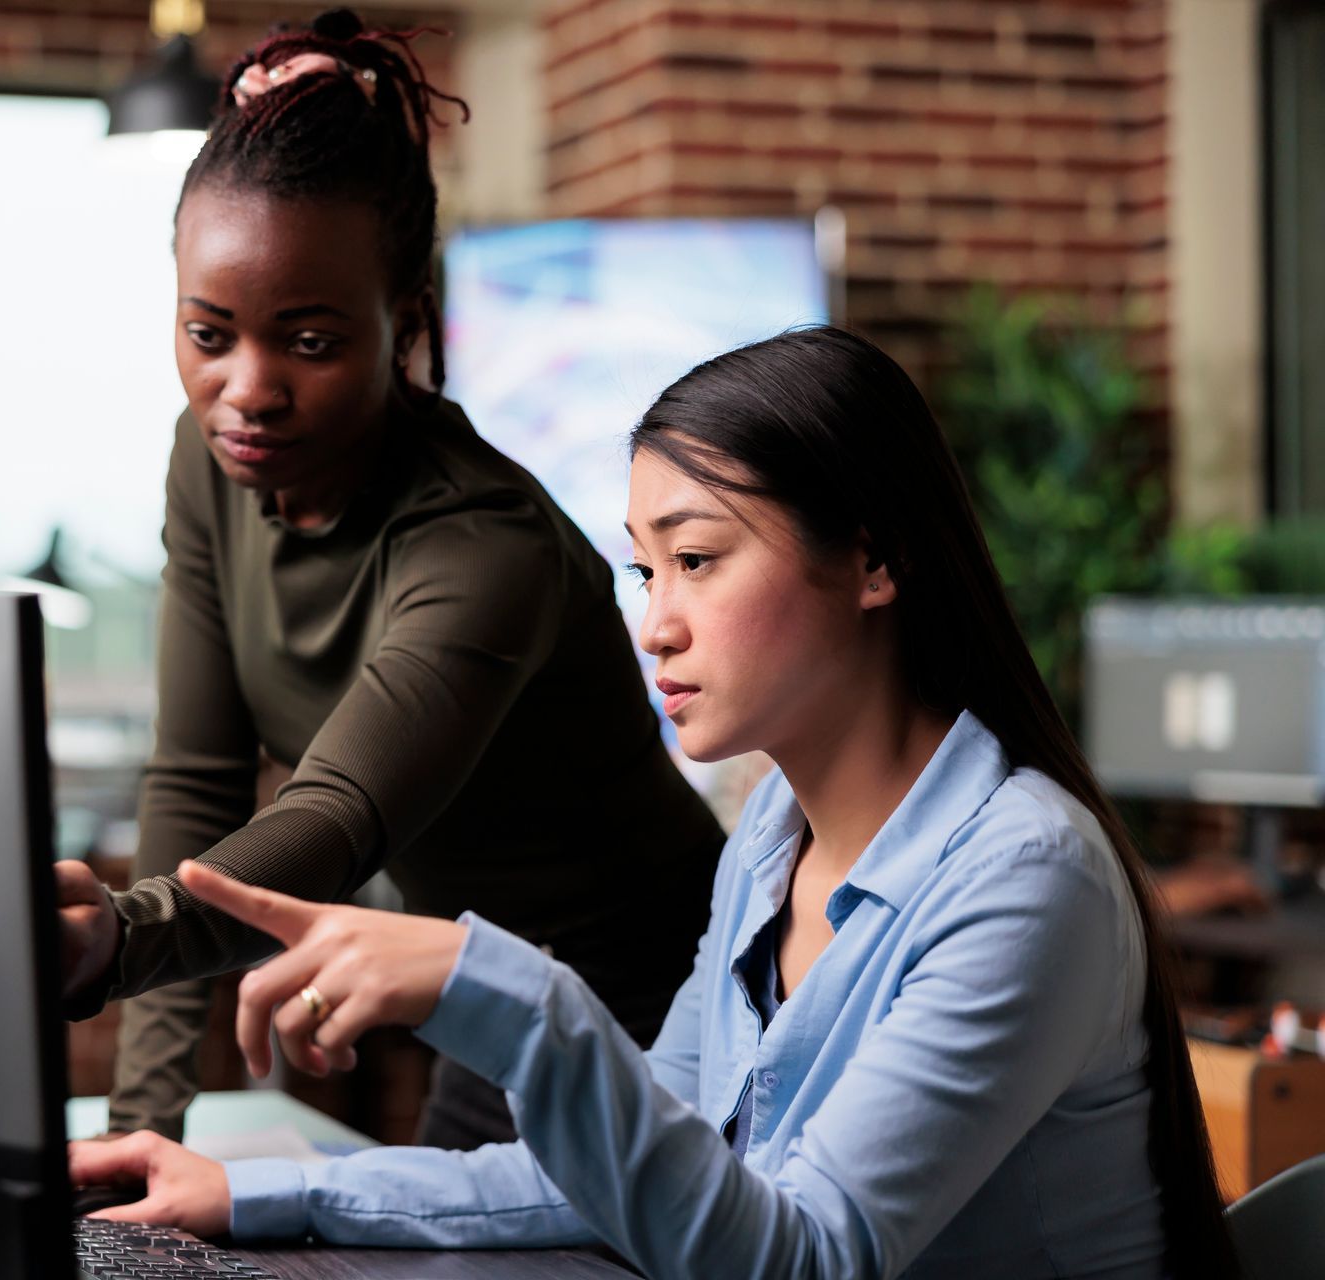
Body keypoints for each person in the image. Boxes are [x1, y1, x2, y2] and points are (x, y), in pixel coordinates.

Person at [67, 327, 1240, 1279]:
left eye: (698, 558)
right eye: (643, 566)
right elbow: (606, 1171)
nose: (654, 622)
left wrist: (505, 989)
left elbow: (803, 1257)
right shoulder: (769, 849)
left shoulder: (1027, 874)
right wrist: (255, 1189)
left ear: (874, 562)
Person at [54, 8, 726, 1149]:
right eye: (208, 333)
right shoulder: (209, 460)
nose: (246, 389)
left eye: (309, 340)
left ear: (404, 319)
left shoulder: (483, 539)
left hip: (664, 1016)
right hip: (486, 996)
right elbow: (199, 776)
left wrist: (121, 934)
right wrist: (142, 1123)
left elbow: (336, 816)